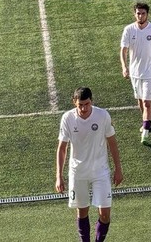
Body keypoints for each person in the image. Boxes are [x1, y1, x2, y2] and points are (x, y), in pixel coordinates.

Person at [55, 87, 124, 242]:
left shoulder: (102, 116)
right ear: (74, 102)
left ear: (91, 101)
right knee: (82, 212)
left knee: (105, 214)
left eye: (87, 104)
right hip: (78, 172)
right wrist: (59, 176)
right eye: (80, 105)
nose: (84, 108)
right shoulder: (67, 118)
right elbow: (62, 148)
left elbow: (112, 143)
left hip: (100, 171)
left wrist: (118, 169)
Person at [120, 2, 151, 143]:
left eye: (143, 13)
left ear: (147, 14)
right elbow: (123, 50)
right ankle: (145, 122)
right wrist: (124, 67)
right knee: (140, 100)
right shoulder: (128, 30)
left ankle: (146, 132)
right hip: (135, 72)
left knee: (147, 102)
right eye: (138, 13)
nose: (140, 16)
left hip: (150, 72)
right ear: (134, 14)